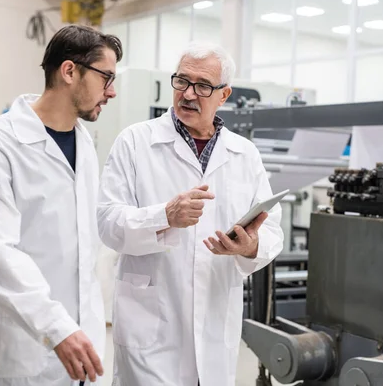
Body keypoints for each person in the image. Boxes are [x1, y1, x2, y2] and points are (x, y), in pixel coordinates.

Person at [96, 41, 285, 386]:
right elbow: (107, 223)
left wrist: (249, 246)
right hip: (151, 325)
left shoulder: (244, 154)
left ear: (224, 94)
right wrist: (164, 216)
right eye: (181, 81)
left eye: (202, 86)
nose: (188, 94)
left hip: (214, 319)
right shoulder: (135, 142)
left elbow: (272, 229)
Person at [0, 25, 122, 386]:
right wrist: (56, 326)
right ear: (70, 71)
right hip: (17, 339)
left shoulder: (84, 144)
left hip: (77, 340)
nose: (112, 91)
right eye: (106, 77)